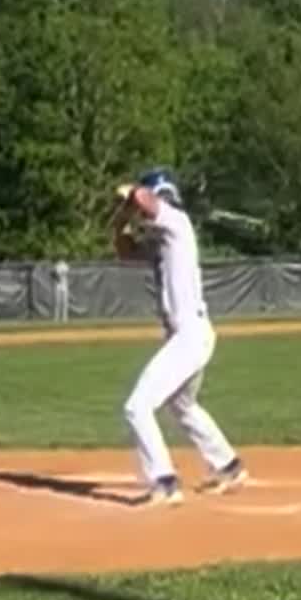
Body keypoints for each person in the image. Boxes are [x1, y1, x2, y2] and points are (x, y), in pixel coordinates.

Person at [111, 167, 247, 505]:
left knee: (137, 406)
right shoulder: (163, 240)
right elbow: (125, 251)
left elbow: (145, 200)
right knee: (182, 404)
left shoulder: (176, 222)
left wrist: (131, 194)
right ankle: (228, 465)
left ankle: (164, 481)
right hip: (187, 336)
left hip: (189, 335)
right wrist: (122, 218)